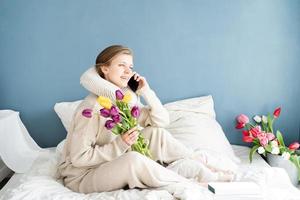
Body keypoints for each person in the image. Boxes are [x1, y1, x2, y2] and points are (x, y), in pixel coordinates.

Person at [58, 45, 234, 194]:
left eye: (131, 67)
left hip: (109, 162)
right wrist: (120, 144)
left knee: (156, 134)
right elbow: (79, 158)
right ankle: (186, 183)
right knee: (133, 159)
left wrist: (146, 92)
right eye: (121, 65)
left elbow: (162, 121)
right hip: (83, 176)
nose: (128, 72)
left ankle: (201, 165)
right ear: (104, 69)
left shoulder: (123, 100)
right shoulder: (91, 108)